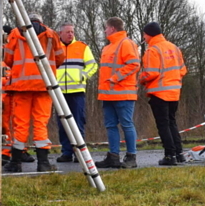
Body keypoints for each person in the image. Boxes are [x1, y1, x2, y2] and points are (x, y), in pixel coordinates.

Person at [2, 13, 64, 173]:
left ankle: (16, 162)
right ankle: (43, 163)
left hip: (21, 86)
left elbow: (7, 58)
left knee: (20, 124)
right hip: (44, 85)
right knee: (40, 123)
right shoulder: (51, 34)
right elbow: (60, 58)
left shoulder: (15, 33)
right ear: (41, 22)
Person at [140, 22, 188, 166]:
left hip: (159, 93)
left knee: (163, 125)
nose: (144, 38)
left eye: (144, 35)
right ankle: (179, 154)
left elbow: (151, 73)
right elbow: (183, 70)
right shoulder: (174, 48)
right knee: (172, 122)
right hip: (174, 92)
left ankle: (169, 156)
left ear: (149, 34)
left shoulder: (152, 50)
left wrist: (140, 78)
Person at [95, 17, 140, 169]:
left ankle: (131, 157)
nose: (104, 31)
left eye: (106, 28)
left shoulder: (126, 43)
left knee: (126, 124)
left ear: (112, 28)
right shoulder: (108, 48)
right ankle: (113, 157)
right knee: (110, 125)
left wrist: (115, 78)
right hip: (108, 94)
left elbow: (134, 64)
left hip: (123, 93)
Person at [53, 22, 98, 163]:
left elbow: (93, 65)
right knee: (63, 124)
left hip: (77, 91)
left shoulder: (82, 47)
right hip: (59, 92)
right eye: (67, 32)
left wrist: (83, 75)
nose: (70, 34)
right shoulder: (54, 47)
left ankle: (80, 154)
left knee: (78, 123)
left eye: (72, 31)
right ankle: (66, 153)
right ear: (60, 33)